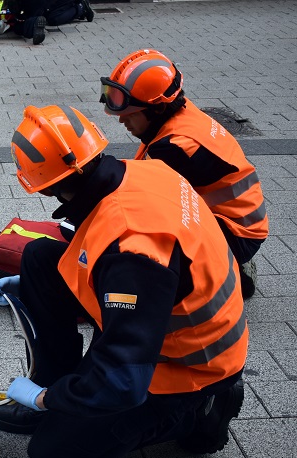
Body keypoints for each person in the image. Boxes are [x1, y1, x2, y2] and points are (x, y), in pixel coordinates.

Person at [0, 104, 247, 458]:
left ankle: (198, 413)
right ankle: (58, 379)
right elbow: (101, 248)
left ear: (48, 185)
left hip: (186, 364)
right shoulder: (144, 170)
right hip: (161, 318)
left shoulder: (133, 252)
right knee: (40, 258)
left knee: (53, 455)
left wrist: (47, 399)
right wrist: (29, 287)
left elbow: (124, 380)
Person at [100, 49, 268, 299]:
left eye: (130, 113)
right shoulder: (180, 113)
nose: (121, 119)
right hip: (239, 222)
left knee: (139, 244)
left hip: (236, 233)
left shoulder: (176, 146)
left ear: (156, 109)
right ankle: (228, 261)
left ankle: (228, 271)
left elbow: (140, 201)